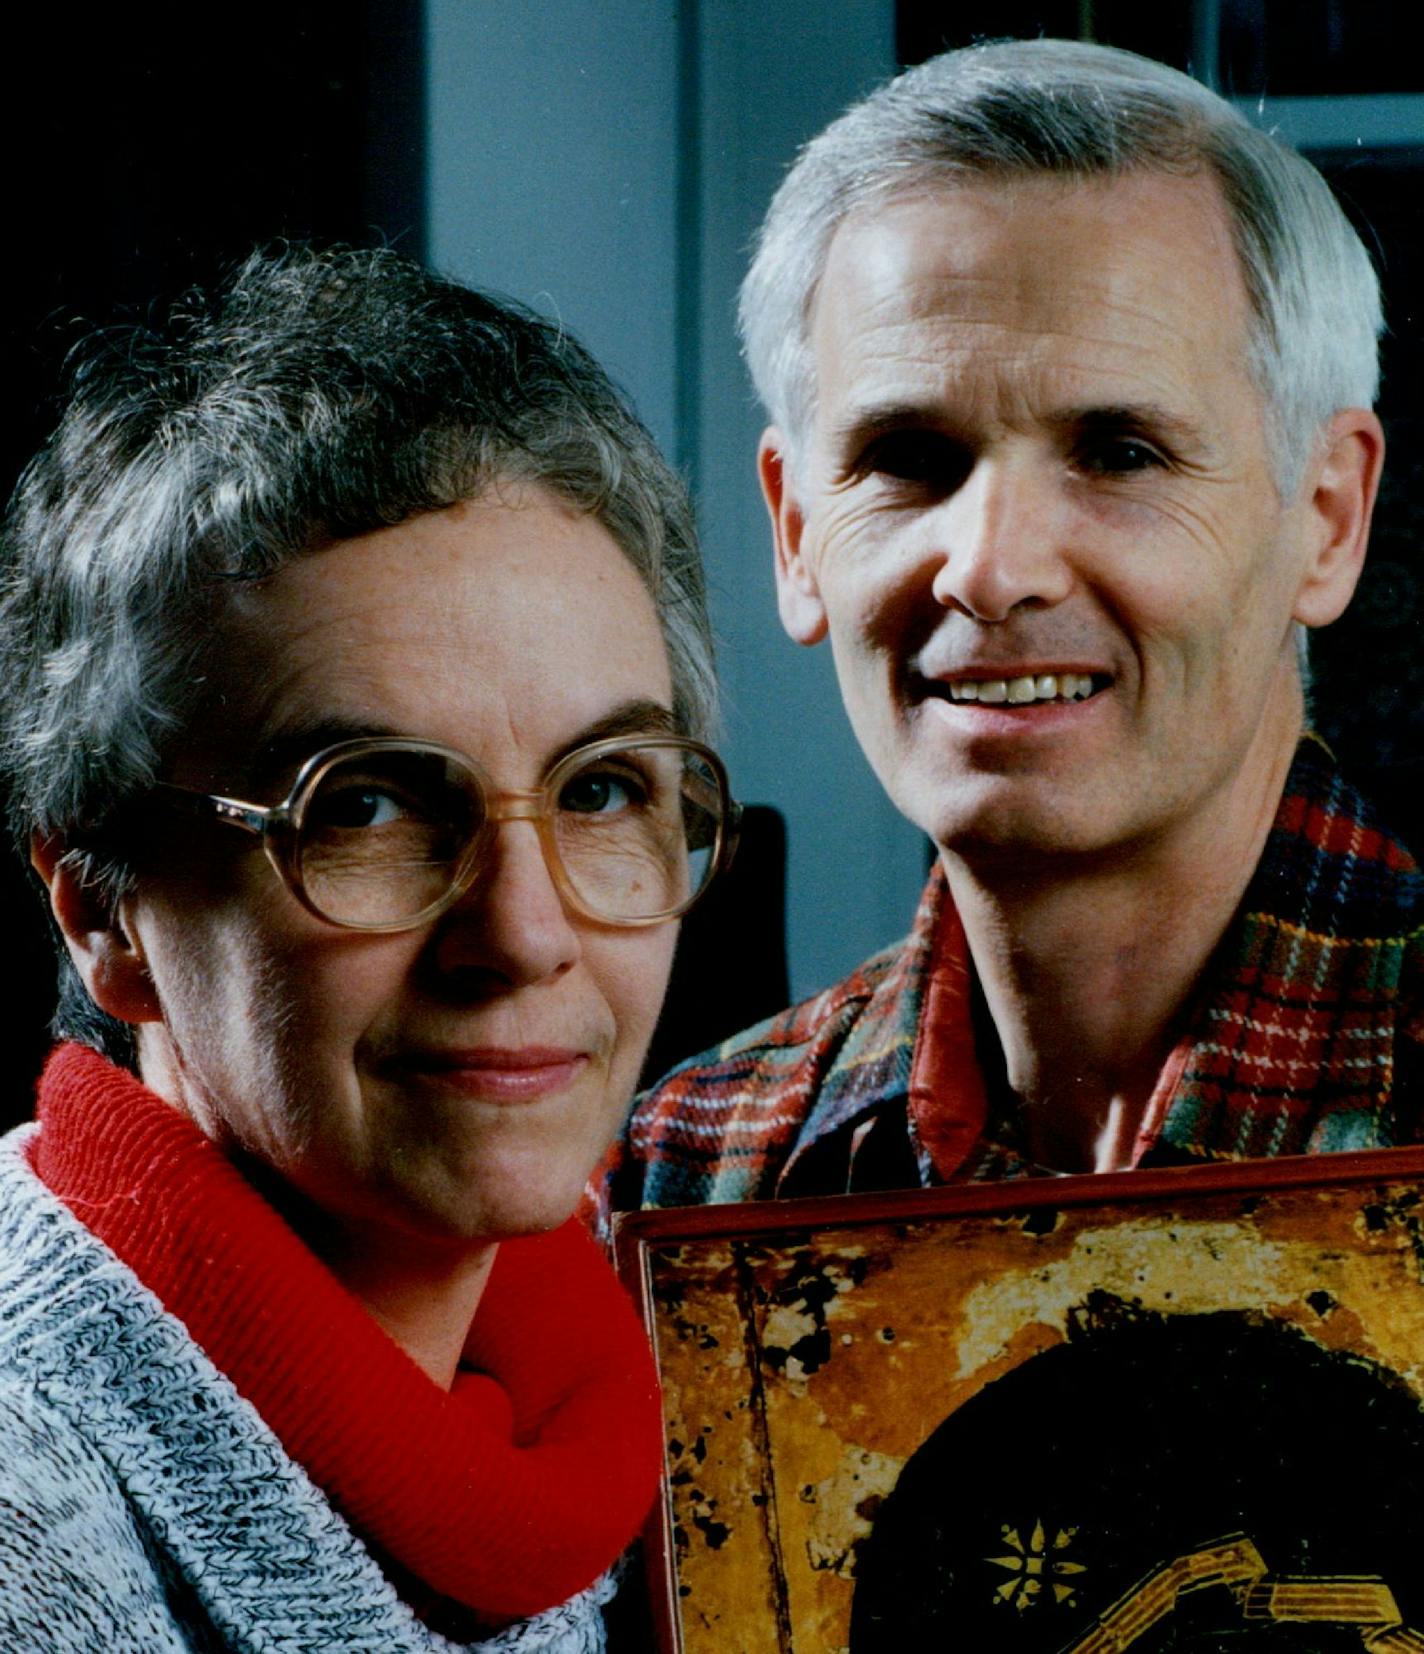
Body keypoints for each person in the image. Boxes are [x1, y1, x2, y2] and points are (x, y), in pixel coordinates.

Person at [0, 245, 738, 1650]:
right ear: (107, 908)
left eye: (600, 789)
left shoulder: (671, 1410)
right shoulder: (23, 1504)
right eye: (373, 804)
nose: (523, 934)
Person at [620, 37, 1423, 1208]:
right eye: (907, 459)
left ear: (1326, 514)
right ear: (795, 534)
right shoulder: (691, 1170)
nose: (989, 571)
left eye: (1118, 453)